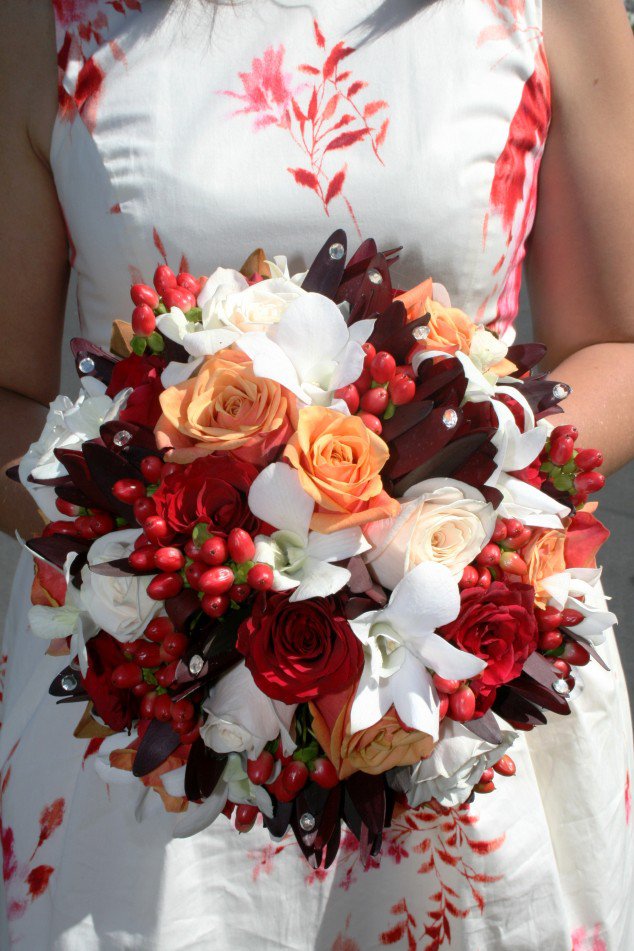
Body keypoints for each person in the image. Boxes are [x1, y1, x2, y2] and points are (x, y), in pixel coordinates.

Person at [0, 0, 633, 947]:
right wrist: (170, 573)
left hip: (462, 697)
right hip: (145, 712)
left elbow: (616, 341)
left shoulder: (546, 10)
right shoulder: (49, 20)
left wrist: (429, 530)